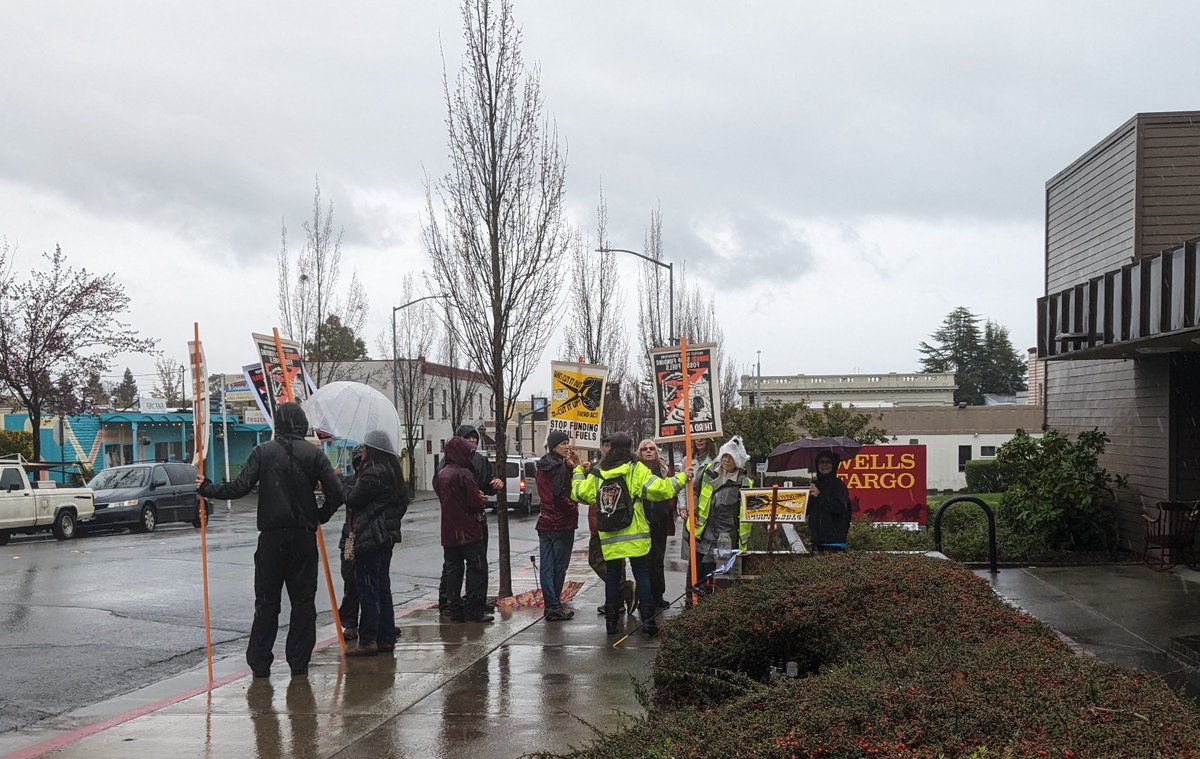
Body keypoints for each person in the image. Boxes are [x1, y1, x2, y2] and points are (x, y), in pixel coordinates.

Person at [196, 401, 344, 678]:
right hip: (302, 537)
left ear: (277, 424)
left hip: (271, 539)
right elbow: (337, 492)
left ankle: (260, 660)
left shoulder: (263, 452)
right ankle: (298, 661)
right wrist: (319, 516)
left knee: (266, 602)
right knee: (303, 601)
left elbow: (239, 488)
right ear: (301, 424)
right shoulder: (313, 455)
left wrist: (207, 488)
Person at [573, 432, 690, 636]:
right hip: (635, 535)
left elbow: (580, 493)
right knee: (642, 575)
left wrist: (576, 471)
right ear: (630, 448)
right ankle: (648, 622)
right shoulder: (635, 469)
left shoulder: (599, 472)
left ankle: (611, 624)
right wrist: (683, 476)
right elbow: (661, 489)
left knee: (612, 578)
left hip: (610, 536)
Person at [343, 434, 409, 656]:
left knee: (368, 588)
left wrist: (336, 481)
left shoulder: (373, 473)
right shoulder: (392, 472)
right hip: (384, 538)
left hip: (370, 538)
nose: (361, 450)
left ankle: (369, 639)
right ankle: (386, 637)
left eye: (364, 446)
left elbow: (353, 499)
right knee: (382, 587)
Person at [436, 425, 502, 616]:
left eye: (474, 440)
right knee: (473, 566)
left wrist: (492, 486)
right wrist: (476, 498)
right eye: (468, 440)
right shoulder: (460, 471)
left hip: (454, 526)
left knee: (454, 567)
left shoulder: (452, 468)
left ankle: (455, 606)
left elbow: (486, 484)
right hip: (468, 525)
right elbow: (475, 502)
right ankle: (468, 606)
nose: (472, 443)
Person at [573, 433, 634, 616]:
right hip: (599, 524)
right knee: (601, 562)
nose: (607, 449)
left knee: (612, 564)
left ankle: (620, 594)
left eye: (610, 445)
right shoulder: (596, 468)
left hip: (611, 524)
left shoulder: (610, 469)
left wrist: (578, 473)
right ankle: (620, 596)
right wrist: (579, 468)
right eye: (604, 445)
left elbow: (581, 493)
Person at [687, 436, 753, 583]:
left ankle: (712, 604)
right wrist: (694, 510)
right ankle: (691, 604)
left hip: (725, 538)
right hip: (702, 534)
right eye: (725, 456)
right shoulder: (707, 472)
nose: (726, 461)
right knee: (695, 575)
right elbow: (694, 491)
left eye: (731, 458)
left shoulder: (744, 483)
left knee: (719, 578)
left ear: (738, 461)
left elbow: (751, 511)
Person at [534, 430, 580, 621]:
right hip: (561, 524)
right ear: (553, 446)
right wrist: (573, 508)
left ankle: (550, 605)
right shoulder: (558, 467)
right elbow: (560, 494)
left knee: (546, 566)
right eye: (563, 443)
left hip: (545, 522)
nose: (567, 446)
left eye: (567, 442)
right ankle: (554, 606)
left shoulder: (542, 466)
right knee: (559, 567)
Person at [637, 438, 676, 610]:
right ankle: (644, 596)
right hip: (641, 521)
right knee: (643, 561)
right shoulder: (635, 470)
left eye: (651, 448)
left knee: (658, 559)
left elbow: (672, 490)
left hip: (660, 520)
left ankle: (658, 595)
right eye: (644, 449)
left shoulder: (665, 470)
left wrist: (670, 507)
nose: (648, 451)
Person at [807, 451, 851, 553]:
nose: (824, 465)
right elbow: (808, 511)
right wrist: (807, 497)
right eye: (821, 462)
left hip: (834, 541)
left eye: (828, 462)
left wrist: (819, 496)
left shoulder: (839, 485)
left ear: (834, 465)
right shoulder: (814, 484)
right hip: (816, 540)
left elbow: (839, 508)